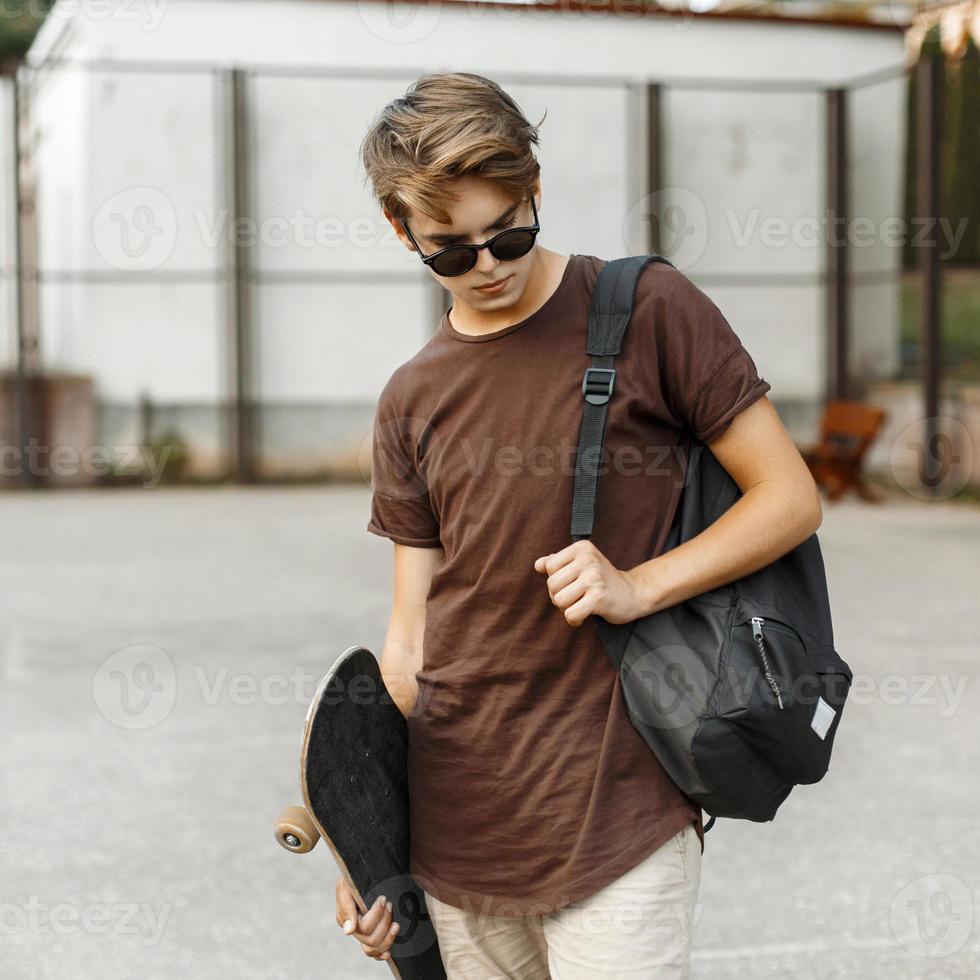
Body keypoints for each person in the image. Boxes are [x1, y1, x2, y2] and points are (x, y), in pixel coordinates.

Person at [337, 72, 822, 979]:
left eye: (509, 232)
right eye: (451, 251)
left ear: (535, 190)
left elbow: (789, 498)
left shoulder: (646, 311)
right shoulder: (410, 398)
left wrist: (639, 585)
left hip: (617, 811)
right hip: (456, 831)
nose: (489, 265)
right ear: (401, 232)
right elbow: (410, 641)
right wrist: (365, 849)